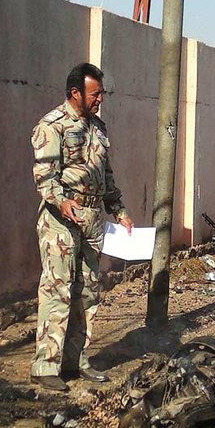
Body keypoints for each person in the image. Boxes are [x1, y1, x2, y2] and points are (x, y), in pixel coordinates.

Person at [30, 63, 134, 392]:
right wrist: (61, 202)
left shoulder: (99, 129)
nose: (100, 99)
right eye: (95, 94)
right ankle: (46, 365)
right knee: (58, 289)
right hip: (61, 219)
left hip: (92, 219)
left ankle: (77, 360)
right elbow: (45, 176)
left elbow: (107, 176)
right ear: (75, 93)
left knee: (87, 291)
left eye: (102, 93)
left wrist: (119, 210)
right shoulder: (52, 126)